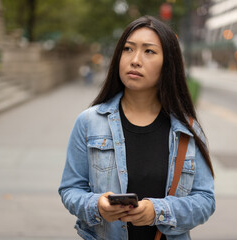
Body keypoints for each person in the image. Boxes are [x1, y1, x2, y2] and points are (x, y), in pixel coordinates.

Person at [58, 16, 215, 240]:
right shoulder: (89, 122)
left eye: (149, 51)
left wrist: (157, 212)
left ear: (168, 63)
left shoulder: (187, 130)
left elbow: (205, 201)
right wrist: (97, 206)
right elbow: (70, 190)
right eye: (128, 49)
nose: (135, 60)